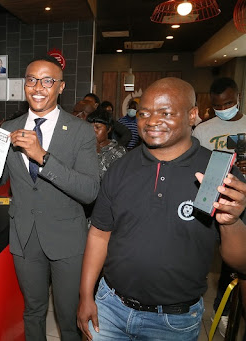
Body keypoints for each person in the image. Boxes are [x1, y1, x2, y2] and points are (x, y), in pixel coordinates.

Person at [76, 77, 246, 341]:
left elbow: (240, 261)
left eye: (165, 113)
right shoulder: (121, 167)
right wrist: (86, 295)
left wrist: (231, 222)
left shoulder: (217, 173)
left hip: (173, 321)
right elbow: (99, 234)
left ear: (192, 115)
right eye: (144, 113)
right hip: (109, 308)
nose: (152, 121)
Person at [0, 55, 100, 341]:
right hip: (25, 234)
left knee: (68, 317)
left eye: (48, 80)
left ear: (61, 87)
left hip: (66, 237)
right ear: (23, 85)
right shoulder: (7, 128)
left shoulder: (81, 131)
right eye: (31, 80)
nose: (38, 87)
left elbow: (89, 191)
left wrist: (42, 157)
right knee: (33, 311)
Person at [192, 77, 246, 336]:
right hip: (212, 199)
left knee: (237, 260)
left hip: (242, 203)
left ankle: (227, 311)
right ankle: (211, 306)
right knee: (212, 256)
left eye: (229, 103)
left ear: (238, 97)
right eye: (218, 106)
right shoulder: (203, 130)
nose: (225, 108)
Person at [86, 108, 126, 180]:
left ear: (108, 129)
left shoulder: (118, 152)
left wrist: (97, 154)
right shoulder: (85, 147)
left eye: (97, 128)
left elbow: (111, 180)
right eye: (90, 128)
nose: (93, 131)